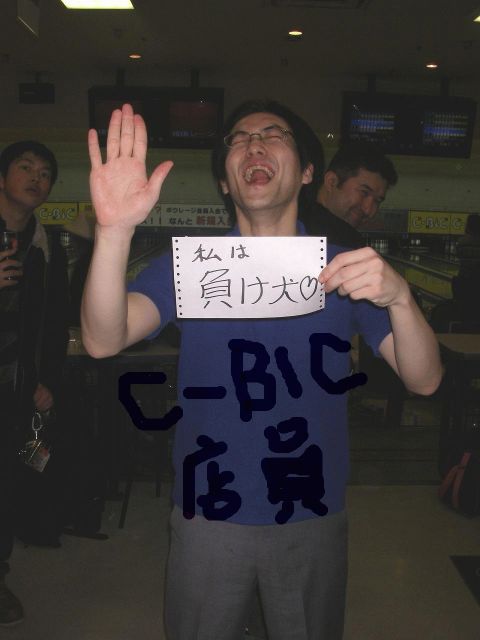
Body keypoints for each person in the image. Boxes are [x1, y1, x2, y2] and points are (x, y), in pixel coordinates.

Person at [81, 101, 442, 639]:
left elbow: (424, 379)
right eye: (239, 139)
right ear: (225, 182)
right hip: (209, 506)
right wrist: (113, 232)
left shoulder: (346, 269)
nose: (254, 144)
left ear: (307, 172)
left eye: (275, 135)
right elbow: (102, 339)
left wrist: (401, 299)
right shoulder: (189, 266)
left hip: (310, 505)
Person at [0, 141, 69, 626]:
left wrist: (48, 380)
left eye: (45, 173)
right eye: (25, 167)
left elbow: (54, 321)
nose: (35, 178)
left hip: (15, 386)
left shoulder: (46, 247)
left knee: (8, 482)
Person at [301, 140, 398, 249]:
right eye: (364, 192)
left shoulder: (296, 219)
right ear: (331, 181)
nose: (368, 210)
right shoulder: (347, 240)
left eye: (377, 201)